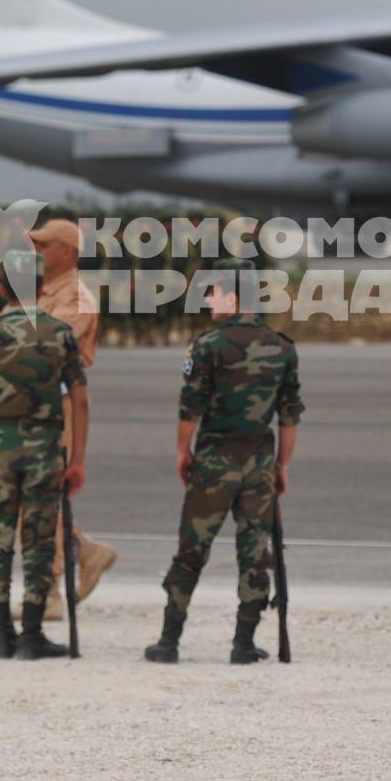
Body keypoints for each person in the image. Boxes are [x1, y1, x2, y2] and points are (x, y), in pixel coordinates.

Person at [144, 259, 302, 665]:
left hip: (215, 458)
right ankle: (244, 643)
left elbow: (189, 408)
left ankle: (169, 640)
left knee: (192, 549)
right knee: (255, 552)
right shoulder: (282, 347)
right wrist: (281, 466)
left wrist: (183, 451)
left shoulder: (207, 346)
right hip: (260, 459)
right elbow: (289, 414)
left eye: (213, 292)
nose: (209, 300)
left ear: (233, 296)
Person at [0, 251, 88, 660]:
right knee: (37, 541)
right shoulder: (60, 333)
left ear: (2, 290)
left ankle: (3, 633)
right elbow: (81, 401)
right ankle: (32, 634)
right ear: (41, 289)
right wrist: (77, 459)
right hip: (46, 448)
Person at [27, 218, 119, 617]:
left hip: (59, 408)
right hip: (33, 405)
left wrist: (0, 325)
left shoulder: (77, 298)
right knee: (35, 497)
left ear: (67, 251)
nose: (37, 252)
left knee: (44, 496)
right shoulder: (42, 294)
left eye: (45, 245)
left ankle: (48, 590)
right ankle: (84, 551)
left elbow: (45, 343)